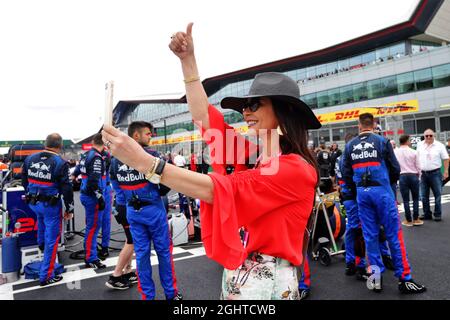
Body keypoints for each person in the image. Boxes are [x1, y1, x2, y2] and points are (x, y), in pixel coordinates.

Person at [102, 22, 321, 300]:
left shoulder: (295, 168)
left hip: (267, 279)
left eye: (254, 104)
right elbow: (204, 117)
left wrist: (144, 162)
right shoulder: (255, 155)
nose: (245, 111)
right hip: (244, 270)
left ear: (284, 110)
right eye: (244, 106)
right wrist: (188, 61)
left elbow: (215, 189)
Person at [342, 113, 426, 294]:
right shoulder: (383, 142)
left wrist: (358, 189)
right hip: (382, 192)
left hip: (362, 195)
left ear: (358, 125)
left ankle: (375, 278)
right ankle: (405, 279)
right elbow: (395, 169)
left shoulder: (349, 146)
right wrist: (388, 184)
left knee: (370, 236)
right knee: (394, 235)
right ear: (373, 124)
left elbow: (346, 174)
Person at [109, 121, 180, 300]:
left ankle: (147, 296)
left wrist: (127, 201)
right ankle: (171, 295)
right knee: (164, 252)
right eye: (148, 133)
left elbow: (116, 187)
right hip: (153, 210)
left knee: (141, 255)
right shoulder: (152, 156)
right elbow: (164, 186)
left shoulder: (115, 160)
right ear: (136, 136)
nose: (151, 136)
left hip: (132, 211)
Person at [22, 133, 74, 286]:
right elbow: (67, 189)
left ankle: (41, 245)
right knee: (53, 239)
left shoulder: (30, 158)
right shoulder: (61, 163)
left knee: (40, 222)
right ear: (60, 146)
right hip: (50, 206)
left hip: (33, 203)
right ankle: (47, 275)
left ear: (46, 144)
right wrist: (69, 208)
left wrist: (30, 193)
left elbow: (24, 179)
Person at [105, 166, 138, 290]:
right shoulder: (121, 163)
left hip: (119, 205)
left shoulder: (114, 163)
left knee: (130, 239)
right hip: (124, 206)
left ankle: (128, 271)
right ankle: (116, 276)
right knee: (131, 241)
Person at [79, 133, 107, 269]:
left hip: (85, 194)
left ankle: (89, 254)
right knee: (93, 228)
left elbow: (80, 173)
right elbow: (93, 181)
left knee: (91, 226)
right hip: (91, 197)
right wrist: (99, 197)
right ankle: (91, 258)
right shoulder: (96, 157)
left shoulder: (86, 154)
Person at [416, 129, 449, 221]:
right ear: (424, 136)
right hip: (423, 174)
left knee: (437, 195)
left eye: (431, 135)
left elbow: (446, 158)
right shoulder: (420, 145)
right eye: (427, 136)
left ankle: (437, 214)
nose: (429, 137)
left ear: (434, 136)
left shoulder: (440, 145)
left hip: (436, 173)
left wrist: (446, 171)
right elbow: (417, 158)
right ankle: (427, 214)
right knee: (423, 196)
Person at [394, 135, 423, 227]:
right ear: (407, 141)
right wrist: (419, 176)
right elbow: (418, 166)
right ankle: (416, 218)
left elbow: (394, 165)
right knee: (415, 198)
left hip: (402, 176)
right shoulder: (414, 152)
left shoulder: (395, 152)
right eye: (409, 140)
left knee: (406, 200)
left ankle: (408, 220)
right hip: (413, 175)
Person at [99, 148, 112, 259]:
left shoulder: (107, 155)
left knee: (105, 220)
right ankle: (93, 248)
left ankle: (104, 247)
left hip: (105, 188)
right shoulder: (90, 155)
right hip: (96, 189)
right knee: (94, 221)